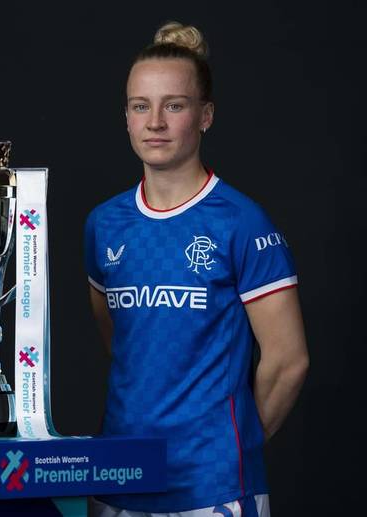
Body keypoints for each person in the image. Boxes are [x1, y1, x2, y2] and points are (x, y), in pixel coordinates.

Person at [85, 22, 309, 517]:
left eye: (174, 106)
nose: (155, 122)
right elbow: (124, 344)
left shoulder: (241, 222)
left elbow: (288, 360)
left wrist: (232, 447)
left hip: (211, 488)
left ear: (205, 116)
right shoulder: (104, 224)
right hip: (118, 475)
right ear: (126, 118)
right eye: (140, 106)